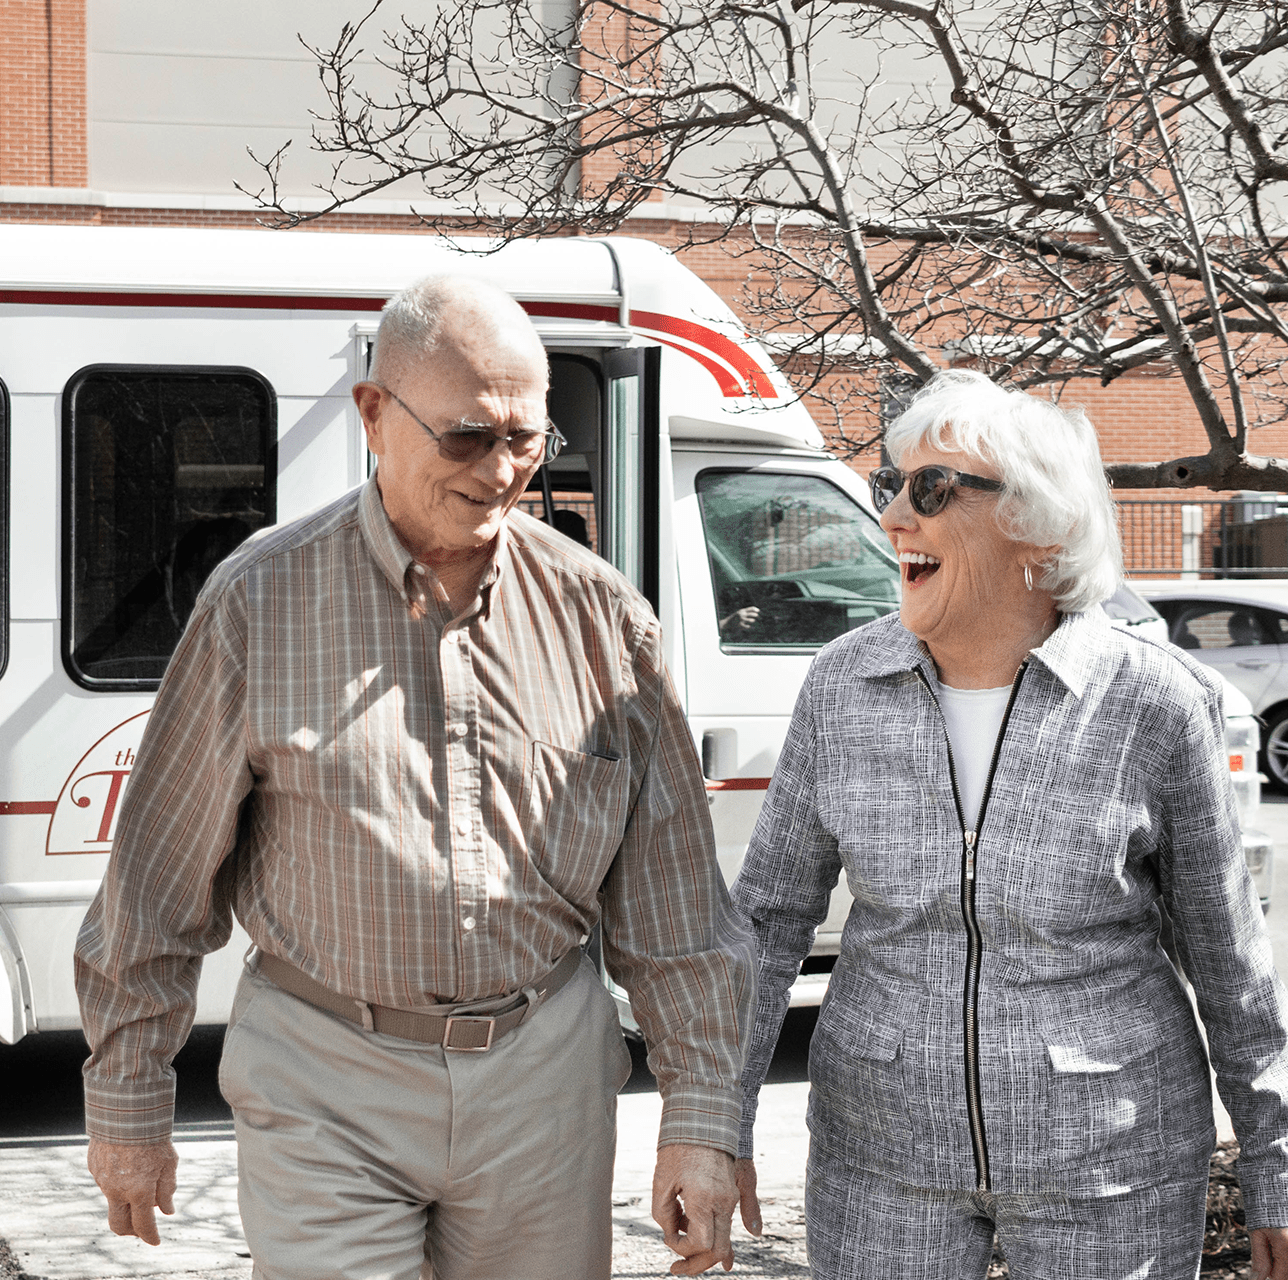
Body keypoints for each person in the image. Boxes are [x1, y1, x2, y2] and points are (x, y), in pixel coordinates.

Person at [74, 275, 756, 1279]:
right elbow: (156, 876)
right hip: (324, 1074)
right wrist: (129, 1100)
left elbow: (676, 906)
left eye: (528, 440)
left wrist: (700, 1118)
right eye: (470, 437)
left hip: (543, 1082)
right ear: (373, 416)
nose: (504, 470)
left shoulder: (604, 618)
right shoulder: (258, 603)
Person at [731, 370, 1288, 1278]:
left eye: (932, 489)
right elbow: (766, 921)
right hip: (881, 1161)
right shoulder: (840, 688)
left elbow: (1229, 958)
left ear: (1039, 525)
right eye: (891, 485)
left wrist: (1275, 1169)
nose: (894, 519)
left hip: (1113, 1167)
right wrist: (718, 1123)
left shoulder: (1152, 703)